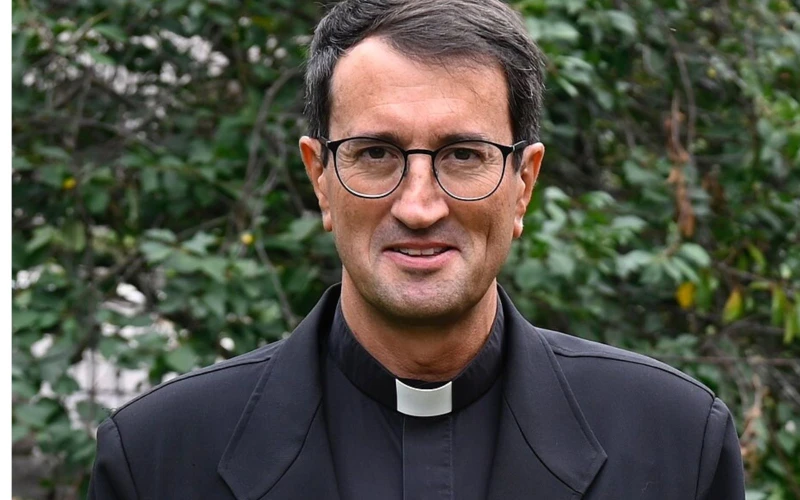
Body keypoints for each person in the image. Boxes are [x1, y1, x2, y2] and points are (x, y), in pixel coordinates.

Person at [88, 0, 746, 498]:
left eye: (464, 155)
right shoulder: (158, 458)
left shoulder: (676, 443)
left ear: (523, 184)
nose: (419, 206)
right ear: (321, 179)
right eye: (376, 153)